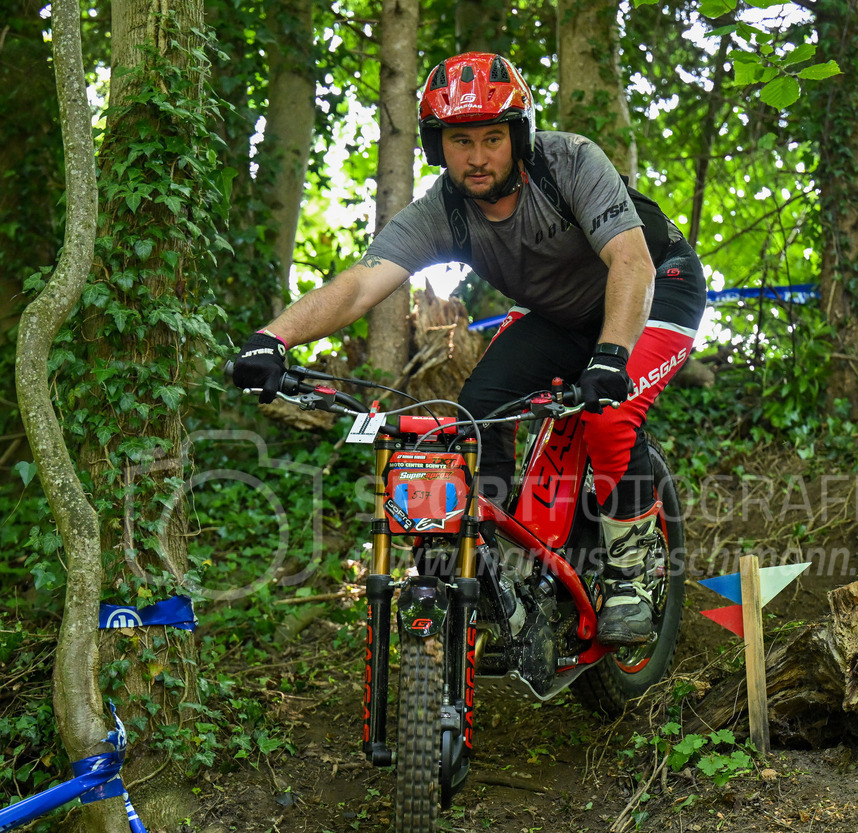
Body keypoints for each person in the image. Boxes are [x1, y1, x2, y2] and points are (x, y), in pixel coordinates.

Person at [232, 52, 706, 646]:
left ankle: (633, 567)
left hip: (657, 287)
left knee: (608, 417)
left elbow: (629, 262)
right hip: (561, 316)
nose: (477, 157)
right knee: (478, 411)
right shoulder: (443, 212)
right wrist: (273, 338)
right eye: (460, 141)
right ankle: (487, 558)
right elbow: (360, 284)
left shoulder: (571, 163)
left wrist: (611, 353)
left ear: (521, 137)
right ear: (438, 145)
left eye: (492, 138)